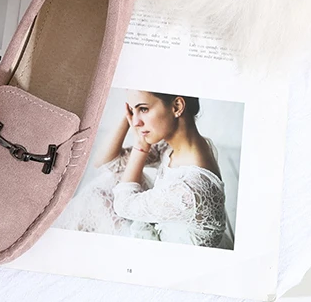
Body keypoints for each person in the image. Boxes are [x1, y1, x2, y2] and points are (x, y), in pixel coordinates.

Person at [56, 91, 230, 248]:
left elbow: (123, 205)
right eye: (133, 111)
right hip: (167, 228)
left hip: (171, 258)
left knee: (96, 199)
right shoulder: (178, 147)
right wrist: (130, 116)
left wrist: (140, 145)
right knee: (112, 179)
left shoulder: (190, 188)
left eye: (144, 109)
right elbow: (108, 162)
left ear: (177, 106)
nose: (136, 122)